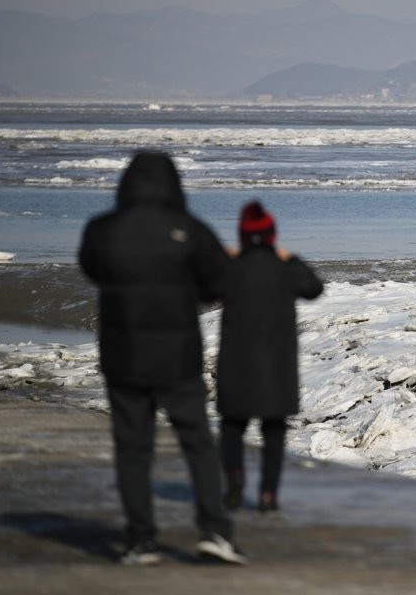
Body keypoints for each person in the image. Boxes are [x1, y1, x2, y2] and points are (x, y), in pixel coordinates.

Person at [78, 152, 246, 566]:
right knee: (198, 445)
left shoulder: (103, 229)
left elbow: (92, 270)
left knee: (133, 450)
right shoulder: (189, 231)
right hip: (177, 358)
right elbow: (218, 284)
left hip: (123, 357)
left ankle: (141, 541)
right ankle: (214, 532)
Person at [216, 200, 323, 512]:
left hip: (237, 363)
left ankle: (234, 476)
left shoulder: (232, 268)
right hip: (276, 366)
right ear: (273, 235)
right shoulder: (283, 267)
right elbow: (314, 287)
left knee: (232, 427)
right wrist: (289, 258)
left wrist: (224, 258)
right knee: (274, 431)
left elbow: (205, 290)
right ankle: (268, 493)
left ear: (242, 235)